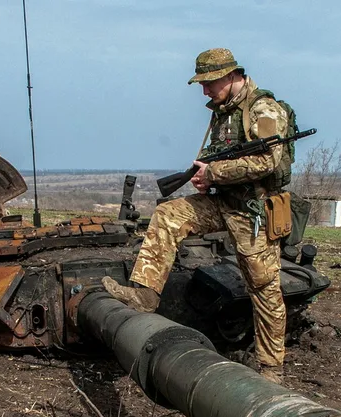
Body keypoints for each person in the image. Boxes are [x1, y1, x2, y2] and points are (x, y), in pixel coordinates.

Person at [102, 47, 291, 383]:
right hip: (221, 203)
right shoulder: (221, 112)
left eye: (210, 83)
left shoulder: (263, 108)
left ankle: (271, 368)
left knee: (263, 287)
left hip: (254, 211)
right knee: (169, 214)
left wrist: (215, 174)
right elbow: (216, 158)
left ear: (232, 76)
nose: (205, 91)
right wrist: (204, 177)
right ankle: (144, 294)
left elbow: (268, 161)